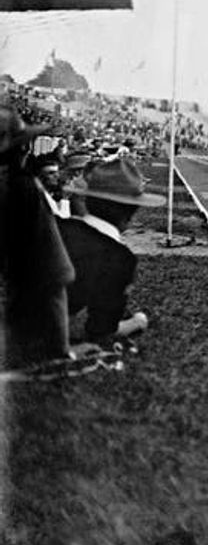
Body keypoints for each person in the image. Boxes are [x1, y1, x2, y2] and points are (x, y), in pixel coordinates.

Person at [58, 156, 164, 343]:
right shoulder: (120, 258)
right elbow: (100, 331)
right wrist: (138, 322)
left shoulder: (59, 228)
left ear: (88, 200)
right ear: (131, 212)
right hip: (47, 334)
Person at [1, 107, 75, 365]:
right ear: (21, 150)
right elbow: (55, 268)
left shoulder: (16, 183)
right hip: (40, 273)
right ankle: (56, 352)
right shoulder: (25, 187)